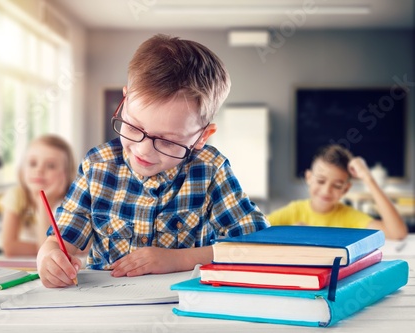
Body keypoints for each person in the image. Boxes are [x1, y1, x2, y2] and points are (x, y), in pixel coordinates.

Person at [37, 34, 269, 287]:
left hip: (187, 308)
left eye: (168, 141)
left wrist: (177, 260)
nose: (143, 150)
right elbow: (60, 241)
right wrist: (49, 258)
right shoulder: (97, 166)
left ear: (202, 136)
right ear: (124, 101)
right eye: (134, 128)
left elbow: (255, 246)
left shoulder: (211, 169)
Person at [267, 144, 408, 240]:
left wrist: (367, 177)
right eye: (321, 181)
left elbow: (397, 233)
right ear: (309, 178)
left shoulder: (348, 216)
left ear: (345, 189)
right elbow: (253, 229)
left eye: (337, 185)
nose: (326, 191)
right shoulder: (294, 211)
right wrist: (287, 233)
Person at [0, 134, 77, 257]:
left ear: (65, 174)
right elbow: (9, 248)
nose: (39, 170)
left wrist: (43, 204)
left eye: (51, 166)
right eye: (33, 163)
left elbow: (58, 253)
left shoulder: (73, 202)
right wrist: (43, 246)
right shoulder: (17, 195)